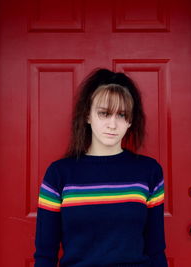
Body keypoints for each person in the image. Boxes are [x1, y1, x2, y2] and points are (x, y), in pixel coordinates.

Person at [34, 68, 168, 267]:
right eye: (104, 114)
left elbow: (156, 248)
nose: (112, 124)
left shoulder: (148, 171)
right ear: (88, 116)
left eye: (122, 115)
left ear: (130, 121)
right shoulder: (59, 174)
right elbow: (45, 254)